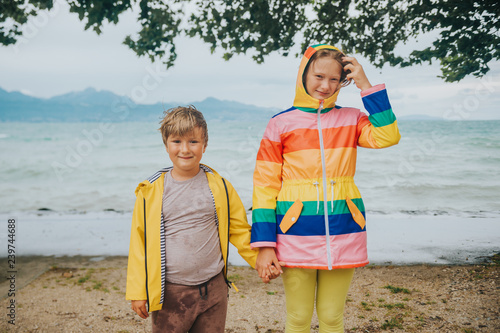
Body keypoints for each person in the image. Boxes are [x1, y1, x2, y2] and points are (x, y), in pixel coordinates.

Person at [251, 44, 401, 332]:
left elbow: (387, 136)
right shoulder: (280, 124)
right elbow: (265, 186)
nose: (325, 85)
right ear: (303, 75)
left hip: (344, 228)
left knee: (333, 317)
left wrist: (365, 85)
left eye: (334, 79)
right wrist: (265, 245)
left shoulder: (352, 118)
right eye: (319, 76)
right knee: (298, 318)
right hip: (294, 232)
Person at [126, 105, 259, 333]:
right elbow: (139, 243)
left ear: (205, 145)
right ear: (166, 145)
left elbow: (239, 230)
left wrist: (261, 261)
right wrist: (138, 292)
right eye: (177, 141)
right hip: (171, 294)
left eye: (193, 142)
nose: (185, 149)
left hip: (214, 291)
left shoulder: (220, 186)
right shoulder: (151, 191)